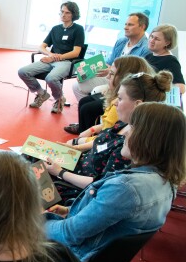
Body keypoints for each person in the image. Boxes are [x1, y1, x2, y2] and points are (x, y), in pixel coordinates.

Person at [45, 102, 186, 262]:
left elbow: (69, 234)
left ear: (148, 138)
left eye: (132, 128)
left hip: (71, 261)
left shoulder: (125, 188)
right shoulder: (166, 181)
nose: (125, 134)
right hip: (94, 259)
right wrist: (70, 210)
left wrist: (30, 224)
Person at [46, 71, 173, 201]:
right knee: (32, 156)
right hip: (78, 162)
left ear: (138, 104)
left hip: (77, 186)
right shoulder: (125, 123)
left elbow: (100, 184)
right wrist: (76, 148)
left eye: (121, 98)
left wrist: (60, 172)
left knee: (31, 173)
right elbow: (103, 142)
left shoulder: (130, 147)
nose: (114, 102)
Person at [18, 1, 85, 114]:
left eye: (67, 13)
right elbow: (42, 46)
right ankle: (41, 93)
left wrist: (55, 58)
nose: (63, 15)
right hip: (50, 60)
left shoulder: (78, 29)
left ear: (73, 14)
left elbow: (76, 52)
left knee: (51, 78)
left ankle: (59, 99)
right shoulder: (55, 29)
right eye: (62, 12)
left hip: (67, 62)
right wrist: (50, 55)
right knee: (22, 71)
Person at [65, 56, 153, 136]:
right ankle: (82, 130)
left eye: (112, 74)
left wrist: (79, 143)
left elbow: (106, 135)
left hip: (101, 140)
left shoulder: (117, 106)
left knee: (88, 108)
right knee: (84, 101)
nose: (108, 77)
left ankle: (85, 134)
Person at [70, 12, 150, 102]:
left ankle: (96, 111)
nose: (125, 27)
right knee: (76, 85)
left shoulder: (146, 48)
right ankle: (90, 111)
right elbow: (109, 63)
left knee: (95, 91)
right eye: (125, 24)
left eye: (130, 25)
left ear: (142, 27)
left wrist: (112, 72)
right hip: (111, 76)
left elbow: (138, 75)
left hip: (125, 82)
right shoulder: (121, 41)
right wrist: (86, 73)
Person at [144, 24, 185, 94]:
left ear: (167, 42)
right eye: (151, 36)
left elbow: (181, 88)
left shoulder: (170, 61)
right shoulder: (148, 56)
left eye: (156, 39)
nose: (151, 40)